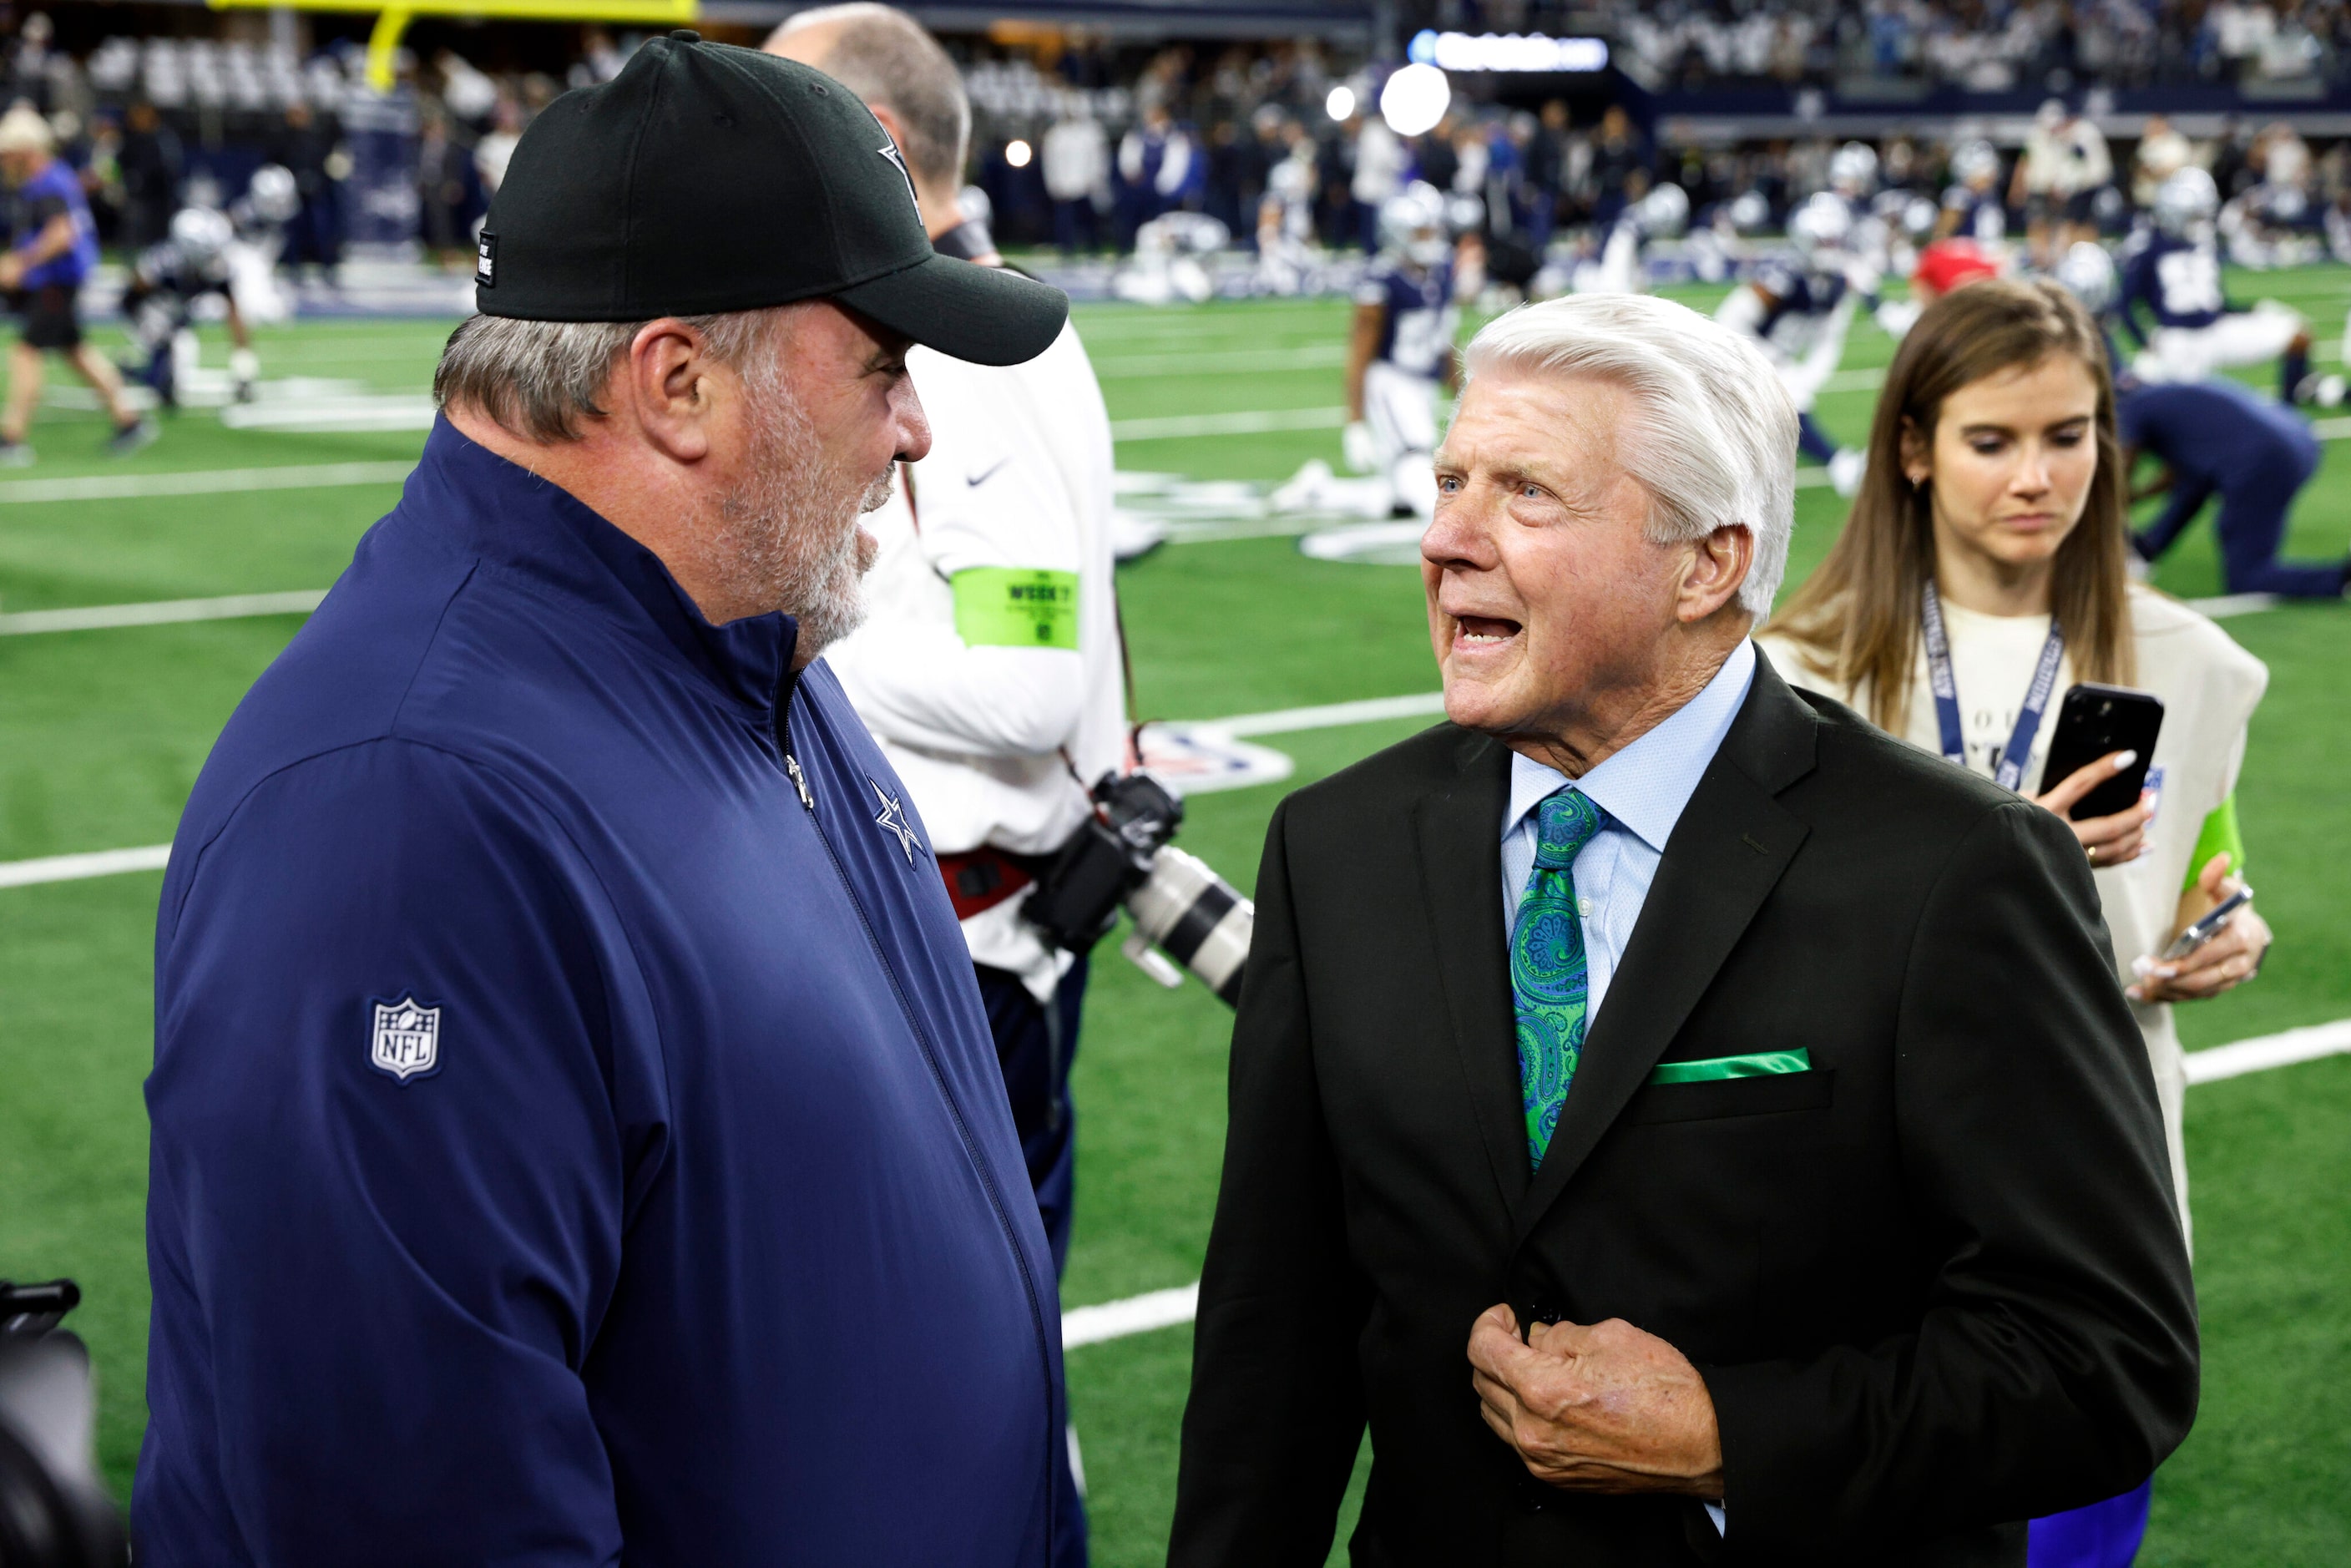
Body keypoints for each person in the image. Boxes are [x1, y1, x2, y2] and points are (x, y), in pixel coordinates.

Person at [138, 35, 1078, 1565]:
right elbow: (400, 1503)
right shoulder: (404, 818)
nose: (912, 433)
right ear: (680, 380)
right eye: (885, 366)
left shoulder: (744, 650)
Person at [1170, 292, 2197, 1565]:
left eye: (1526, 493)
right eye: (1450, 480)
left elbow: (2107, 1358)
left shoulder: (1959, 868)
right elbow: (1275, 1351)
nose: (1444, 537)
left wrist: (1726, 1433)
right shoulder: (1335, 846)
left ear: (1707, 562)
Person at [1762, 276, 2268, 1567]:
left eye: (2071, 434)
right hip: (1856, 1176)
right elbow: (1755, 946)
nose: (2039, 475)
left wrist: (2230, 920)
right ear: (1916, 450)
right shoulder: (1796, 668)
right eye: (1994, 440)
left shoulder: (2196, 660)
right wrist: (2006, 853)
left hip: (2097, 1162)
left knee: (2079, 1514)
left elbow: (2210, 854)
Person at [766, 10, 1125, 1563]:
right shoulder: (982, 319)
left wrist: (782, 638)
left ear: (877, 142)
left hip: (972, 938)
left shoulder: (960, 358)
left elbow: (1030, 679)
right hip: (988, 922)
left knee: (944, 1385)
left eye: (789, 121)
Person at [0, 103, 151, 462]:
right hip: (59, 280)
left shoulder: (47, 184)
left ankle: (11, 437)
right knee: (76, 352)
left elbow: (61, 235)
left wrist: (21, 262)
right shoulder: (53, 178)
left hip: (57, 281)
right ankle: (129, 421)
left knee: (26, 353)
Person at [2119, 165, 2330, 407]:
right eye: (2195, 217)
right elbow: (2125, 305)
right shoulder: (2147, 247)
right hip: (2177, 342)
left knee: (2297, 335)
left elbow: (2215, 302)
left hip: (2215, 330)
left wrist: (2250, 309)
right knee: (2162, 406)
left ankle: (2287, 406)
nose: (2201, 223)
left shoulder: (2202, 242)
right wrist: (2145, 341)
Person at [119, 205, 259, 406]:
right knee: (172, 359)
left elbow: (233, 312)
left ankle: (135, 372)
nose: (215, 256)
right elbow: (130, 300)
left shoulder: (217, 267)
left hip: (177, 317)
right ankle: (150, 371)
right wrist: (153, 332)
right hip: (150, 313)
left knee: (178, 370)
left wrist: (244, 369)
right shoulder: (162, 262)